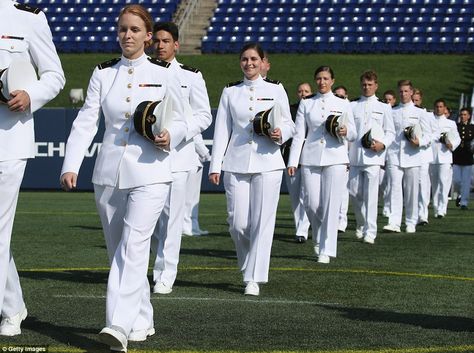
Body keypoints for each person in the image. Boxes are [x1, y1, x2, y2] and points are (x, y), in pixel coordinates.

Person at [60, 5, 186, 351]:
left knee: (133, 246)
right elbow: (87, 121)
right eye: (122, 29)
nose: (126, 35)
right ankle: (142, 319)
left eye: (134, 30)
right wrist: (71, 164)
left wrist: (170, 134)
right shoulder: (103, 74)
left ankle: (117, 324)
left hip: (151, 170)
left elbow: (184, 119)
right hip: (108, 174)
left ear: (148, 36)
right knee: (119, 249)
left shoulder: (166, 73)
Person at [0, 0, 65, 336]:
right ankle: (12, 307)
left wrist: (31, 94)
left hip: (8, 140)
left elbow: (55, 75)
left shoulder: (29, 18)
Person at [209, 42, 294, 296]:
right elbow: (222, 130)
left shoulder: (276, 88)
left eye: (254, 59)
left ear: (262, 61)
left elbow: (289, 123)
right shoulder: (230, 92)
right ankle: (248, 263)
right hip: (236, 162)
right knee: (237, 223)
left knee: (262, 222)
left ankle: (254, 278)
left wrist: (281, 134)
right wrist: (216, 165)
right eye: (245, 59)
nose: (249, 63)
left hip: (268, 161)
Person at [150, 22, 212, 295]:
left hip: (177, 156)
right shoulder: (144, 71)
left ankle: (165, 273)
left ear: (176, 44)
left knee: (172, 220)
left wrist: (178, 133)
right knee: (147, 221)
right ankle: (147, 265)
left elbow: (204, 116)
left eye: (166, 41)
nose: (161, 46)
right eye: (158, 41)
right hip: (147, 157)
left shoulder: (191, 76)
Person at [288, 65, 356, 264]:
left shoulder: (343, 103)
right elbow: (299, 134)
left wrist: (345, 132)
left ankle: (327, 248)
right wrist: (293, 160)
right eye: (318, 78)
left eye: (326, 78)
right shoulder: (307, 103)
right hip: (311, 158)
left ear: (332, 81)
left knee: (331, 205)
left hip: (336, 157)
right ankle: (317, 236)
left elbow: (353, 132)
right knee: (311, 203)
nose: (322, 82)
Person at [348, 70, 395, 244]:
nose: (366, 87)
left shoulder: (384, 106)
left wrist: (383, 144)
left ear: (376, 85)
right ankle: (361, 223)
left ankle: (370, 231)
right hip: (355, 155)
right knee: (354, 192)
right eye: (364, 85)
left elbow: (390, 132)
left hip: (374, 156)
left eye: (370, 85)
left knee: (371, 195)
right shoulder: (352, 105)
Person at [383, 80, 431, 234]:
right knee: (394, 189)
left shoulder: (420, 112)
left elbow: (429, 135)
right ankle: (394, 222)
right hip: (395, 155)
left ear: (411, 92)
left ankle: (411, 221)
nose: (403, 94)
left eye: (406, 91)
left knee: (411, 191)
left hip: (413, 155)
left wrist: (420, 142)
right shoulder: (391, 111)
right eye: (401, 91)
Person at [281, 82, 312, 243]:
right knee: (294, 195)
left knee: (305, 195)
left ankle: (303, 229)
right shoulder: (290, 110)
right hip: (290, 157)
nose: (303, 93)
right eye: (300, 91)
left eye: (306, 91)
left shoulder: (314, 108)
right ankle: (299, 226)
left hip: (309, 157)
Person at [429, 98, 460, 218]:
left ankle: (442, 207)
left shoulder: (450, 123)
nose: (438, 109)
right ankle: (436, 208)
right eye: (437, 106)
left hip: (445, 156)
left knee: (443, 182)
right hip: (432, 156)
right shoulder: (430, 121)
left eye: (441, 107)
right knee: (434, 184)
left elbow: (457, 138)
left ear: (445, 108)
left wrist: (451, 144)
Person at [410, 88, 435, 226]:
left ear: (421, 100)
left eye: (417, 100)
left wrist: (421, 142)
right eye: (412, 100)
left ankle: (422, 214)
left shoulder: (427, 115)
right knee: (410, 185)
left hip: (423, 154)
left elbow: (434, 134)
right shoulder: (407, 113)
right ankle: (411, 214)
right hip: (410, 154)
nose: (414, 102)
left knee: (422, 184)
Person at [182, 133, 211, 236]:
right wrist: (206, 154)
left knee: (194, 198)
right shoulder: (192, 118)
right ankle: (185, 227)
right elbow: (195, 138)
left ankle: (194, 226)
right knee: (188, 198)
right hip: (189, 160)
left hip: (197, 161)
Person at [332, 84, 350, 233]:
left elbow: (353, 137)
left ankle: (341, 221)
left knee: (343, 191)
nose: (339, 98)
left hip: (345, 156)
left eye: (342, 96)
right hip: (332, 156)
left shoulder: (347, 108)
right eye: (336, 95)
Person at [453, 108, 474, 209]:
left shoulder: (472, 127)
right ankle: (460, 194)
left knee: (466, 181)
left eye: (465, 115)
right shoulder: (455, 126)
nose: (462, 116)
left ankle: (464, 203)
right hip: (457, 156)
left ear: (469, 116)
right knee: (457, 181)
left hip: (468, 157)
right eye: (461, 115)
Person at [380, 89, 397, 217]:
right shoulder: (382, 110)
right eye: (386, 100)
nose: (388, 102)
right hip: (380, 151)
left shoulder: (396, 112)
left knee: (392, 181)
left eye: (390, 100)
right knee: (382, 182)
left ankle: (388, 206)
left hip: (392, 152)